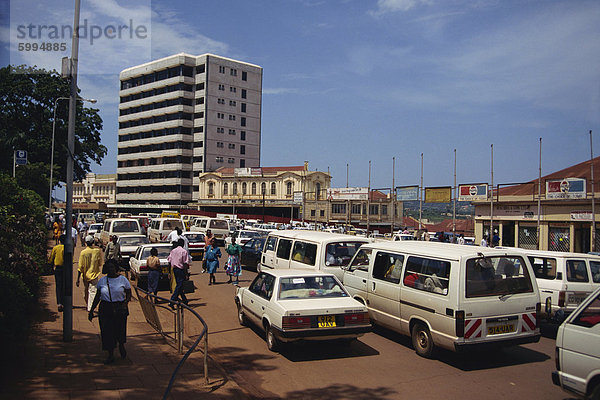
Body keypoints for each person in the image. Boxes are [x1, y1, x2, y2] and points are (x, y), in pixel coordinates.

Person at [88, 259, 131, 364]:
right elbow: (98, 297)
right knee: (107, 332)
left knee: (120, 329)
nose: (111, 269)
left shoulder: (123, 280)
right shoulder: (102, 281)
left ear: (116, 268)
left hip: (120, 308)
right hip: (106, 308)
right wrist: (92, 310)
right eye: (109, 267)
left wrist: (125, 303)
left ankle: (121, 345)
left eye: (112, 267)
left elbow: (129, 293)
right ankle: (110, 354)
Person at [76, 235, 103, 312]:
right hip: (94, 274)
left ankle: (89, 306)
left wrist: (77, 279)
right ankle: (90, 307)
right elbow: (100, 263)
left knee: (86, 291)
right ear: (92, 242)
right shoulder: (97, 251)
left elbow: (80, 267)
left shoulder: (83, 253)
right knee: (93, 291)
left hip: (85, 275)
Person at [168, 238, 190, 307]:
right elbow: (185, 263)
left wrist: (169, 272)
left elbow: (169, 261)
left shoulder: (173, 251)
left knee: (179, 285)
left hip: (174, 269)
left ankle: (185, 300)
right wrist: (186, 273)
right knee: (179, 285)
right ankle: (172, 301)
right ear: (183, 244)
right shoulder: (184, 251)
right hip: (180, 270)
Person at [48, 234, 66, 312]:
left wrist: (51, 268)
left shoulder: (55, 248)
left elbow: (51, 259)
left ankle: (59, 303)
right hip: (65, 269)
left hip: (57, 269)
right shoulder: (67, 248)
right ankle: (64, 302)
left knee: (58, 286)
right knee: (65, 285)